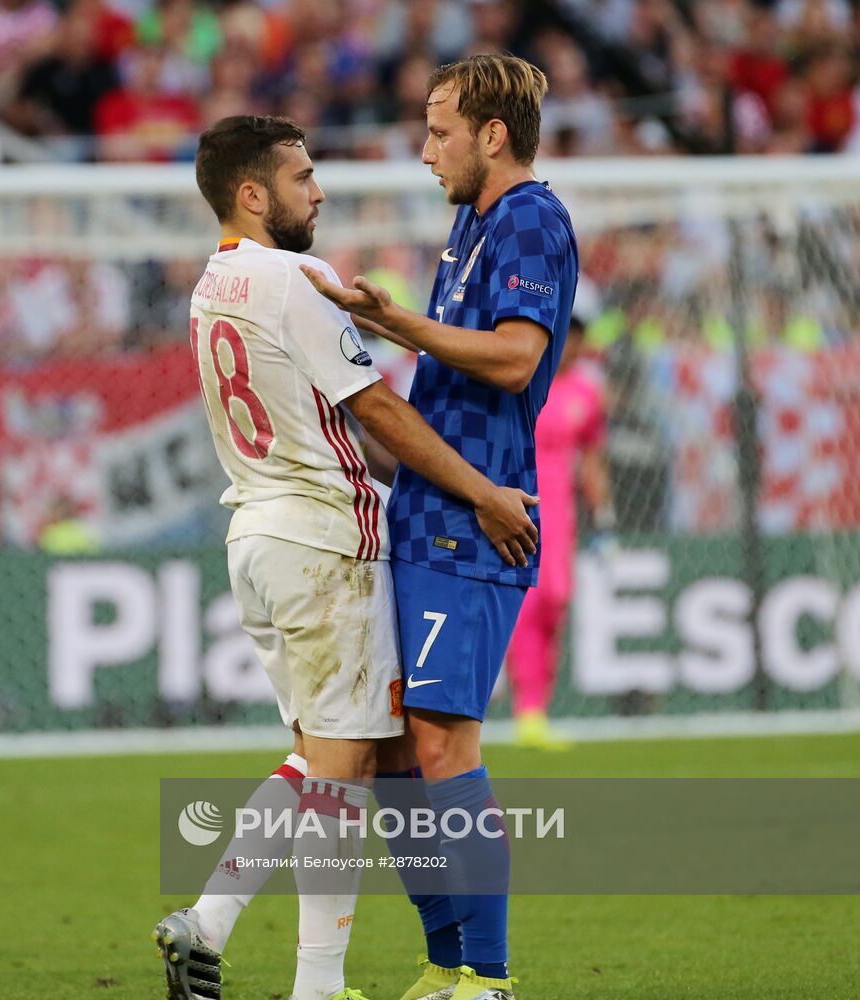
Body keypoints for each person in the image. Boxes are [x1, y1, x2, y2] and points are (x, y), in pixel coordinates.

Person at [155, 114, 538, 1000]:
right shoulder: (295, 278)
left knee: (318, 754)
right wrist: (480, 490)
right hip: (325, 540)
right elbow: (376, 412)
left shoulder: (212, 282)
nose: (318, 191)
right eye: (301, 177)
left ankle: (208, 922)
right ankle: (317, 989)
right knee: (345, 770)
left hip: (254, 535)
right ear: (252, 195)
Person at [303, 53, 578, 1000]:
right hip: (424, 509)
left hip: (477, 522)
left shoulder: (535, 219)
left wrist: (398, 325)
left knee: (442, 745)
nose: (426, 152)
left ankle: (490, 981)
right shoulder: (472, 220)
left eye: (439, 130)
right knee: (388, 752)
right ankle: (446, 963)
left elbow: (511, 362)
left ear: (492, 135)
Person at [505, 313, 613, 749]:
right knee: (526, 606)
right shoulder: (523, 382)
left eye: (577, 343)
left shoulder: (586, 394)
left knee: (554, 602)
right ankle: (527, 709)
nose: (570, 350)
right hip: (515, 502)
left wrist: (603, 520)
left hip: (560, 513)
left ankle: (537, 708)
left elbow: (592, 459)